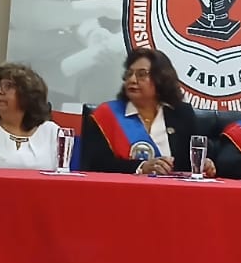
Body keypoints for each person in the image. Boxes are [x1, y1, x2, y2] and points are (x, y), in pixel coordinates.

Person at [81, 49, 215, 176]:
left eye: (141, 74)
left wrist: (204, 164)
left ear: (161, 78)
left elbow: (187, 164)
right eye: (129, 74)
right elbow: (94, 165)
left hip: (172, 190)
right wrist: (141, 167)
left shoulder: (181, 114)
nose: (132, 80)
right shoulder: (106, 115)